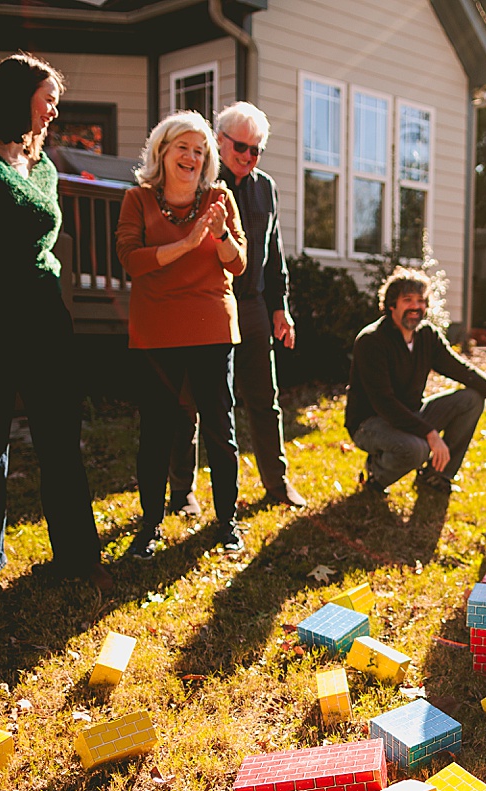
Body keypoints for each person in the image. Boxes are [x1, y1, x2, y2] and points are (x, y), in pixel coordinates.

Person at [0, 53, 111, 594]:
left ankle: (79, 557)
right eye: (48, 98)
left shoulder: (44, 165)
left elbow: (45, 243)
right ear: (16, 94)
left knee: (60, 441)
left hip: (44, 320)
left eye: (56, 101)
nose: (54, 110)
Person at [161, 101, 305, 512]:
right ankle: (182, 491)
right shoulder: (196, 183)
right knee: (189, 401)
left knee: (264, 397)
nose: (247, 156)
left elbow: (273, 254)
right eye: (240, 146)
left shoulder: (266, 188)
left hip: (253, 304)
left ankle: (276, 483)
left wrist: (281, 307)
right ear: (219, 141)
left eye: (256, 150)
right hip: (203, 306)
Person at [115, 111, 248, 559]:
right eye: (182, 148)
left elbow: (238, 262)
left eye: (199, 150)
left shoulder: (220, 197)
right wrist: (188, 244)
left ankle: (228, 523)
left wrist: (220, 234)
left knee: (219, 429)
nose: (191, 157)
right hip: (156, 330)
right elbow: (131, 259)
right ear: (162, 151)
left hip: (211, 324)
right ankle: (150, 525)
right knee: (156, 430)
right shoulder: (137, 199)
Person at [346, 267, 486, 494]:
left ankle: (436, 476)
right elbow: (384, 403)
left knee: (471, 400)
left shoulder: (426, 335)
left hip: (411, 413)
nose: (416, 306)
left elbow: (461, 370)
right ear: (392, 304)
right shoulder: (371, 341)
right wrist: (430, 434)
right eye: (408, 300)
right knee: (417, 448)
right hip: (371, 422)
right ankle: (376, 475)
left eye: (421, 300)